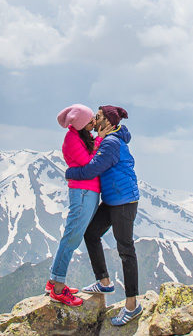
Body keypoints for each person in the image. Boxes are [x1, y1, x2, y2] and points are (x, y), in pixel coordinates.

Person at [65, 105, 142, 327]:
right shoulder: (111, 139)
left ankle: (132, 306)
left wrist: (70, 173)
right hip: (113, 199)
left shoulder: (110, 143)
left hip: (124, 202)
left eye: (97, 117)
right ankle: (105, 282)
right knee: (91, 233)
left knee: (126, 249)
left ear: (107, 122)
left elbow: (92, 170)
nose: (94, 120)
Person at [46, 104, 102, 306]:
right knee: (71, 238)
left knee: (72, 237)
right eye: (90, 120)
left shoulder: (81, 137)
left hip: (89, 192)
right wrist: (100, 143)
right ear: (81, 123)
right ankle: (58, 288)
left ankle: (53, 281)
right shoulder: (72, 140)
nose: (93, 122)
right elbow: (89, 163)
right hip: (83, 192)